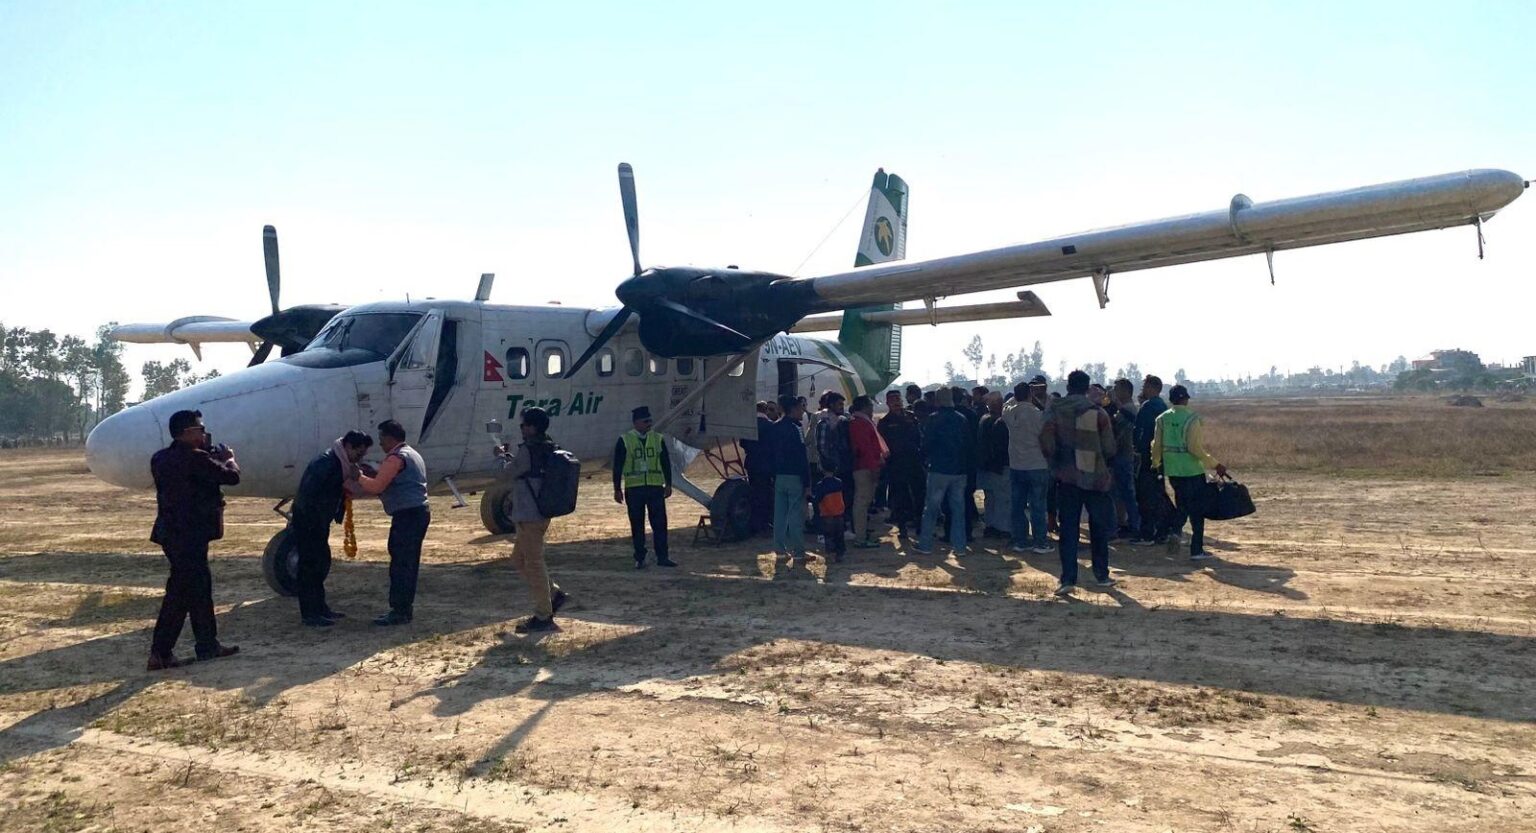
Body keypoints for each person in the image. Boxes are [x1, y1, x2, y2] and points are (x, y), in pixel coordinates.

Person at [147, 409, 240, 670]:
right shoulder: (196, 459)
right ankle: (161, 652)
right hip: (192, 534)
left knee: (196, 591)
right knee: (182, 594)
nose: (203, 433)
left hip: (170, 533)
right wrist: (229, 460)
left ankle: (205, 645)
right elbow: (232, 477)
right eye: (199, 429)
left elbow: (188, 477)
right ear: (187, 433)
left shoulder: (160, 458)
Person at [1041, 370, 1118, 596]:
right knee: (1098, 528)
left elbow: (1045, 441)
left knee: (1068, 529)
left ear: (1068, 386)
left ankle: (1068, 579)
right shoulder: (1098, 413)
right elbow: (1110, 448)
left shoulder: (1054, 410)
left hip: (1066, 478)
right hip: (1095, 478)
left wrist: (1055, 463)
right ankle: (1101, 575)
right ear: (1086, 388)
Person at [290, 431, 372, 627]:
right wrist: (316, 521)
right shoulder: (327, 463)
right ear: (349, 447)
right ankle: (310, 613)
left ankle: (320, 608)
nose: (359, 459)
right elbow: (310, 497)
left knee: (318, 565)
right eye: (358, 454)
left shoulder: (336, 462)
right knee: (310, 567)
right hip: (310, 522)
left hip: (317, 521)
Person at [500, 406, 570, 632]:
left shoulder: (529, 449)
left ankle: (543, 615)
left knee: (533, 563)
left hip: (530, 514)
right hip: (536, 512)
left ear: (532, 427)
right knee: (519, 560)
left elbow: (510, 473)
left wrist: (501, 459)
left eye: (523, 425)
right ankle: (554, 595)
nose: (521, 429)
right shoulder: (548, 446)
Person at [355, 419, 430, 626]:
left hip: (407, 515)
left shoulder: (396, 458)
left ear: (389, 437)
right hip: (418, 512)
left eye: (381, 438)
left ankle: (399, 610)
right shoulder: (412, 454)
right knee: (408, 561)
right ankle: (404, 609)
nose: (380, 444)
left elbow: (377, 487)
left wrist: (359, 476)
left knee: (401, 563)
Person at [1151, 385, 1228, 561]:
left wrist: (1155, 463)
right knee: (1197, 511)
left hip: (1173, 472)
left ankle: (1175, 531)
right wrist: (1215, 464)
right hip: (1192, 471)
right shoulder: (1193, 419)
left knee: (1182, 505)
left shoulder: (1162, 419)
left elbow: (1156, 445)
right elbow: (1195, 448)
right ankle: (1196, 549)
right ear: (1185, 399)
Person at [613, 406, 675, 569]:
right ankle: (640, 557)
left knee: (660, 524)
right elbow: (617, 466)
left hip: (655, 487)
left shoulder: (657, 438)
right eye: (645, 421)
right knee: (637, 524)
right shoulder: (625, 440)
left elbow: (665, 462)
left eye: (650, 421)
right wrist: (617, 488)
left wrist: (668, 483)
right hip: (635, 488)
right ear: (636, 423)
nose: (649, 424)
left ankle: (663, 556)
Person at [916, 388, 973, 555]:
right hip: (959, 470)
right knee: (958, 509)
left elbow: (927, 444)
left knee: (932, 508)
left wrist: (923, 459)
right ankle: (960, 547)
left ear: (937, 401)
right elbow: (968, 444)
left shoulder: (934, 419)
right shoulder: (962, 419)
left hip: (939, 469)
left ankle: (925, 545)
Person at [768, 394, 812, 562]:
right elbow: (801, 456)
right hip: (794, 476)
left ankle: (779, 549)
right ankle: (799, 551)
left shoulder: (775, 427)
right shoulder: (796, 428)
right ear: (793, 409)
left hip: (779, 475)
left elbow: (771, 453)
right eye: (801, 408)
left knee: (779, 514)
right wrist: (807, 482)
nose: (803, 411)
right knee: (795, 515)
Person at [878, 389, 924, 539]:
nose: (897, 402)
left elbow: (919, 437)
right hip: (896, 465)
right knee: (899, 497)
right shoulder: (884, 422)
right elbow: (882, 445)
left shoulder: (911, 417)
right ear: (888, 403)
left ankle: (920, 526)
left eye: (898, 399)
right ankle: (902, 527)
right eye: (893, 400)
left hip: (914, 462)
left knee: (918, 495)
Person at [1132, 375, 1170, 545]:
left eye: (1145, 386)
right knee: (1158, 493)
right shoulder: (1163, 406)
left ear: (1152, 387)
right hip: (1160, 456)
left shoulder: (1148, 407)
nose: (1143, 390)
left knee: (1145, 495)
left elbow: (1139, 431)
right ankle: (1163, 530)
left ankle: (1147, 533)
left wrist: (1137, 449)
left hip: (1147, 456)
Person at [847, 394, 887, 547]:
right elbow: (866, 449)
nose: (872, 409)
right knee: (862, 502)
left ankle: (861, 533)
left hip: (863, 465)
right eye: (870, 406)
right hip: (864, 467)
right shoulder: (861, 424)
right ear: (864, 407)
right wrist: (874, 468)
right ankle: (860, 538)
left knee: (863, 502)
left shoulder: (859, 422)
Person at [1107, 379, 1141, 541]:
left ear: (1126, 391)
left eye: (1117, 389)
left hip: (1124, 456)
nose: (1114, 392)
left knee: (1126, 493)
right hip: (1120, 455)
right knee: (1119, 494)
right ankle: (1124, 524)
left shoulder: (1128, 408)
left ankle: (1134, 526)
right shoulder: (1122, 409)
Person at [976, 392, 1012, 539]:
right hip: (1000, 466)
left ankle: (990, 526)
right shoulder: (1001, 422)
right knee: (1003, 499)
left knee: (990, 499)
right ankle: (1003, 528)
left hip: (986, 466)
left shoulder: (983, 419)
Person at [741, 401, 777, 536]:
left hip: (752, 462)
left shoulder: (749, 425)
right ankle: (764, 523)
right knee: (766, 494)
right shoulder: (770, 426)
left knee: (754, 492)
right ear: (766, 410)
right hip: (767, 464)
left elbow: (743, 443)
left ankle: (753, 522)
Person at [813, 470, 847, 562]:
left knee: (829, 536)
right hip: (839, 513)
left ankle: (830, 554)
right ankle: (840, 554)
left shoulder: (821, 485)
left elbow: (817, 499)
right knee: (839, 535)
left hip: (827, 514)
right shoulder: (839, 482)